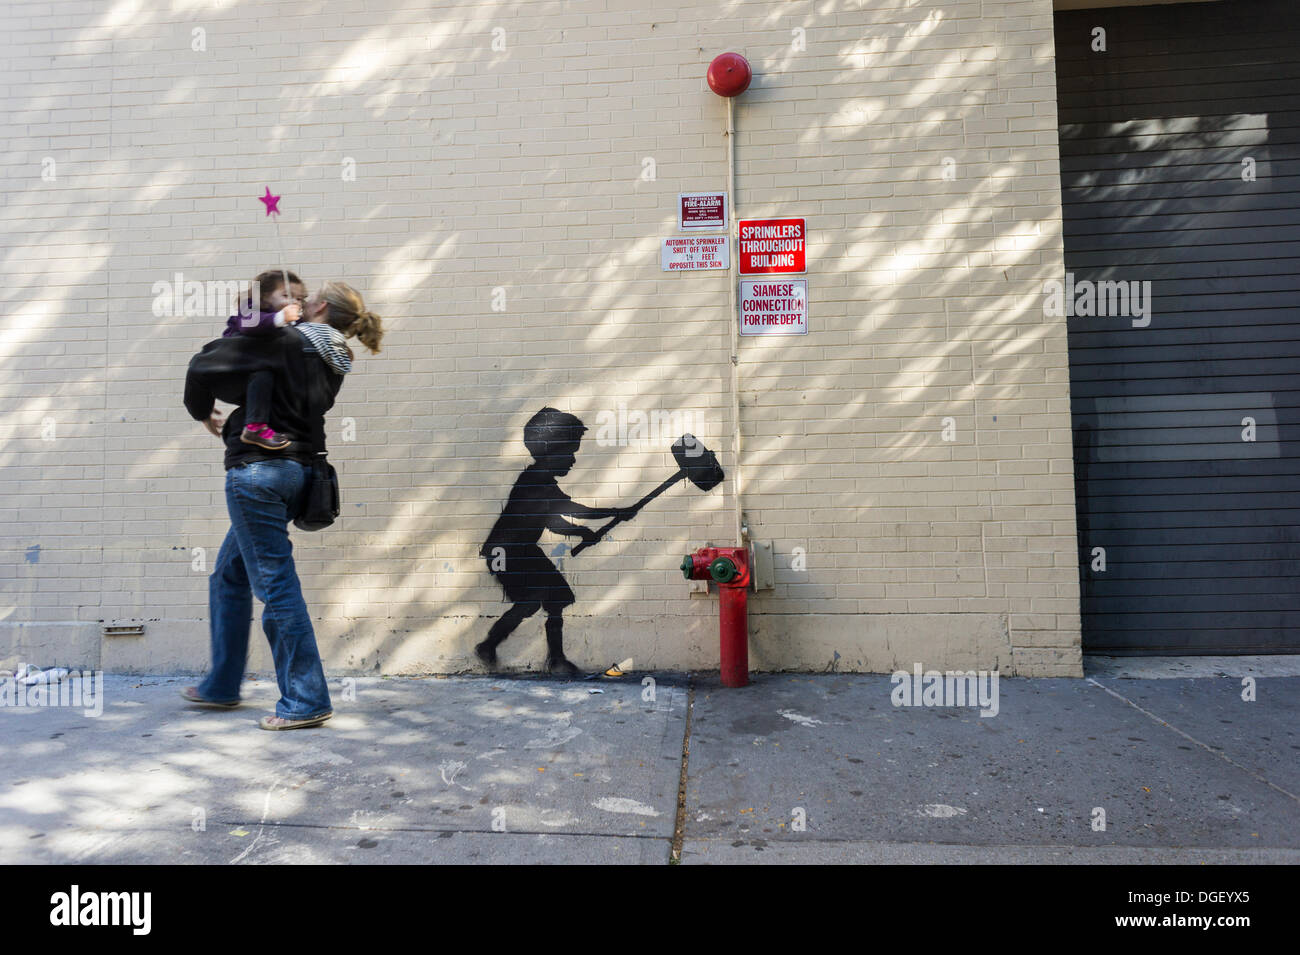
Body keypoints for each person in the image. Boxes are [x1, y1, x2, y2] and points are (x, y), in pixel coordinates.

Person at [181, 281, 384, 729]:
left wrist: (202, 411)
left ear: (322, 309)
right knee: (229, 574)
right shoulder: (337, 356)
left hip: (258, 474)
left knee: (275, 586)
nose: (303, 298)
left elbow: (203, 364)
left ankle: (306, 699)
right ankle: (221, 684)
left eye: (312, 297)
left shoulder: (288, 341)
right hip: (301, 473)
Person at [476, 408, 634, 677]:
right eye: (569, 452)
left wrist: (583, 533)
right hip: (507, 550)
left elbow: (553, 521)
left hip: (521, 550)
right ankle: (491, 646)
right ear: (550, 451)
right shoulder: (535, 479)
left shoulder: (541, 480)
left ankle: (555, 659)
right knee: (533, 602)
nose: (573, 460)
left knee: (555, 598)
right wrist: (615, 512)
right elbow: (571, 509)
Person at [222, 270, 307, 451]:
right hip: (236, 366)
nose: (295, 302)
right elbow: (250, 325)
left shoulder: (291, 319)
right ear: (265, 297)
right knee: (263, 369)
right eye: (287, 296)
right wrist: (280, 317)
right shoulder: (250, 308)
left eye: (300, 299)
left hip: (261, 377)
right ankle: (254, 428)